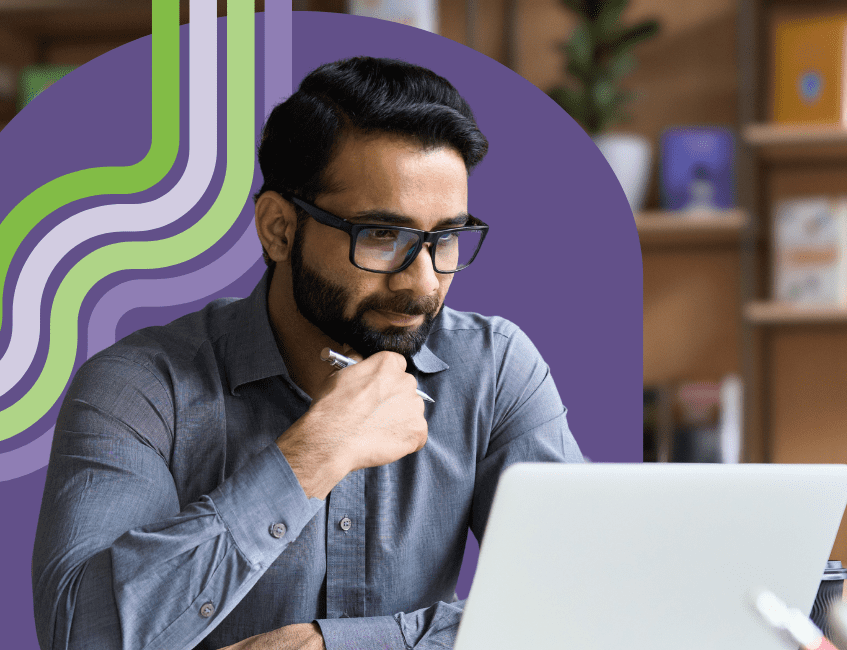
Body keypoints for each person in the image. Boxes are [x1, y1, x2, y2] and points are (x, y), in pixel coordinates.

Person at [31, 55, 585, 650]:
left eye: (443, 238)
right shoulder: (138, 388)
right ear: (278, 230)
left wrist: (340, 647)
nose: (423, 283)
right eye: (381, 235)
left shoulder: (495, 369)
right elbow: (79, 637)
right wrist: (310, 457)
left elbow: (586, 597)